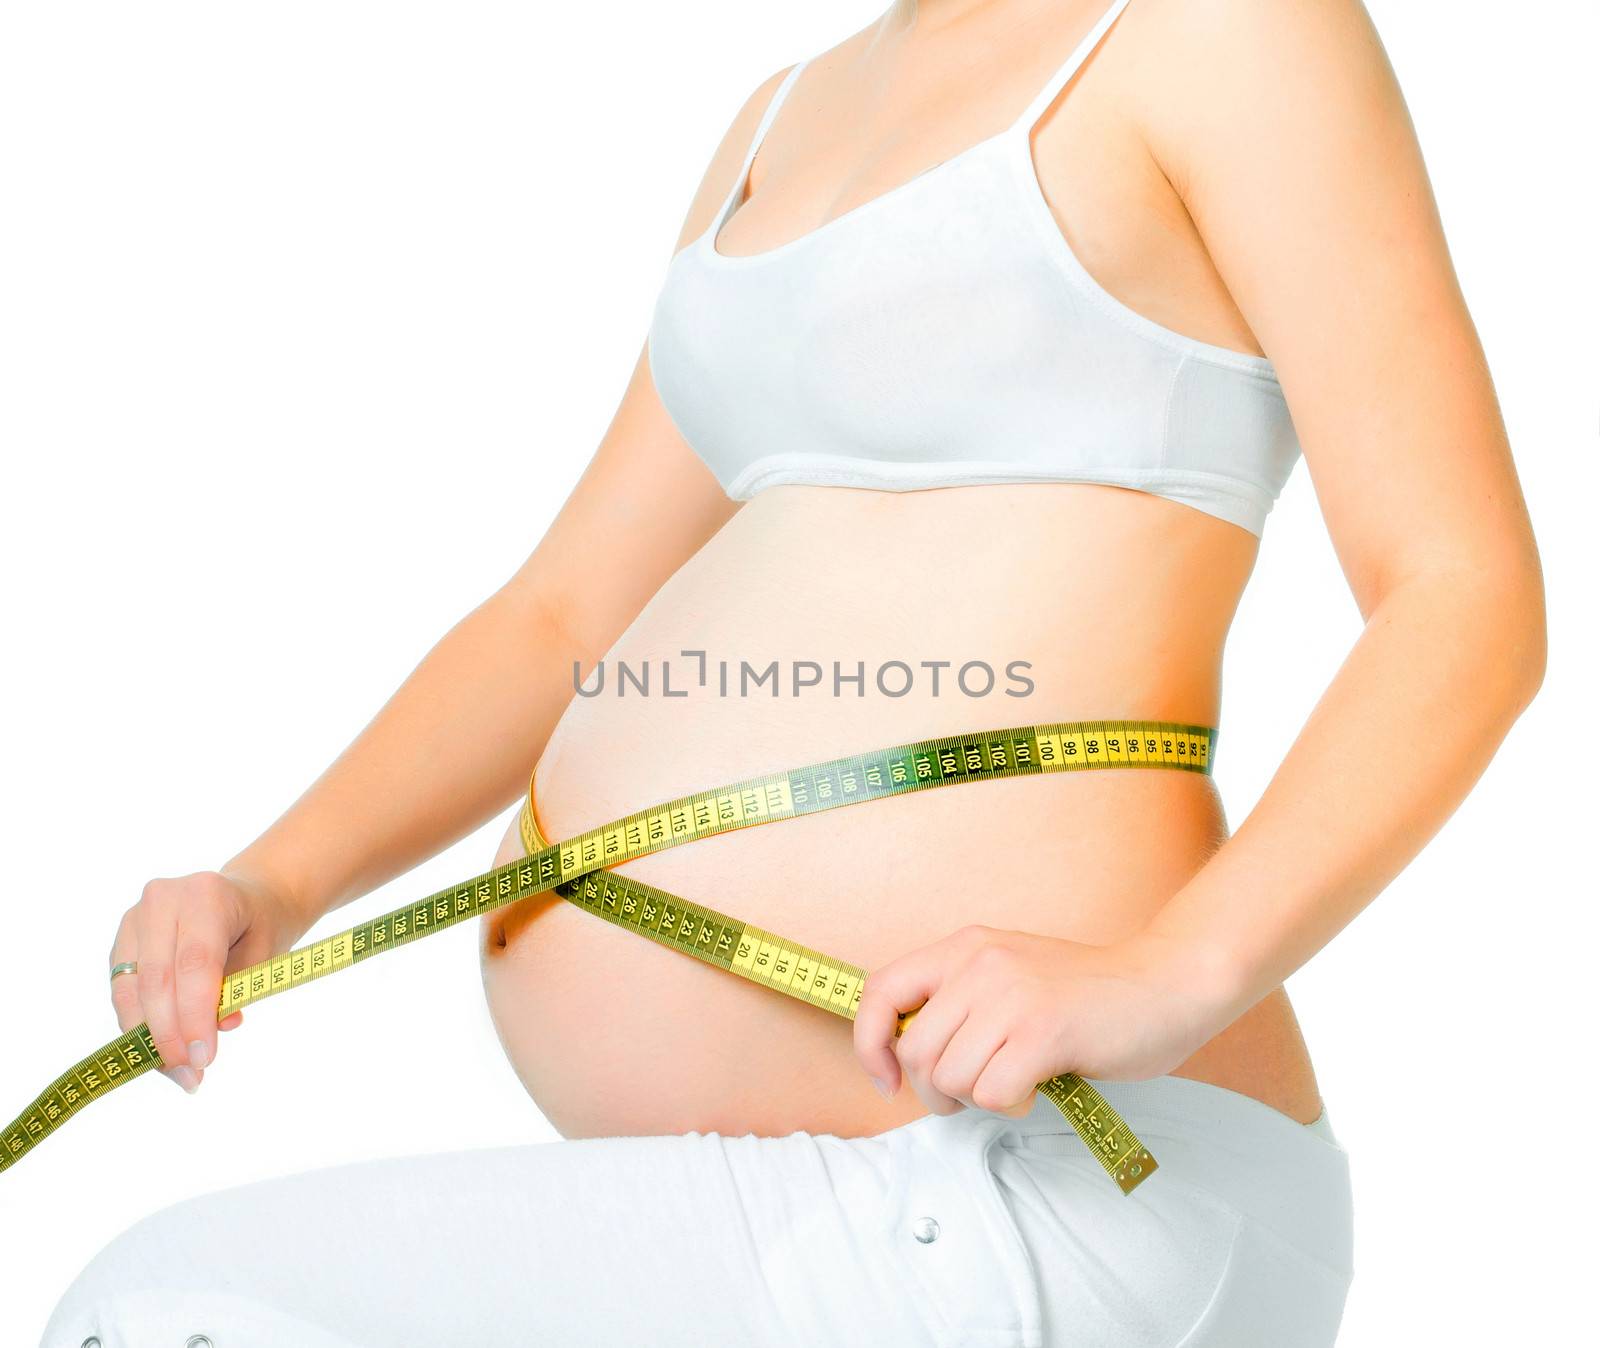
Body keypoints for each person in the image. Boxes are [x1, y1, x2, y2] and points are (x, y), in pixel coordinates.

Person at [43, 0, 1545, 1344]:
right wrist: (278, 883)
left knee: (172, 1312)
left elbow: (1460, 593)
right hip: (812, 1196)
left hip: (1049, 1169)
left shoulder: (1219, 32)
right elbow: (563, 614)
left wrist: (1177, 969)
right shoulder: (782, 115)